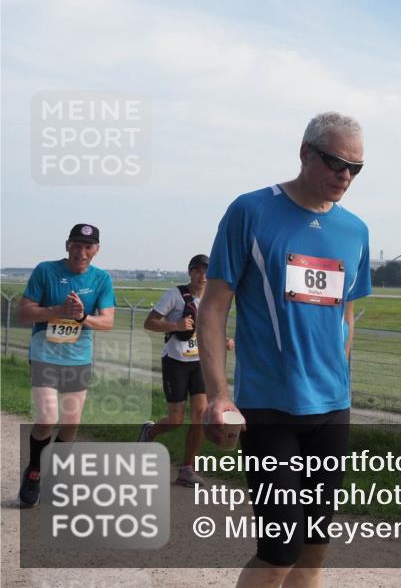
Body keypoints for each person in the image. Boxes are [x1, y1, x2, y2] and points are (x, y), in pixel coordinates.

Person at [199, 112, 371, 587]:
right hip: (269, 407)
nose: (345, 176)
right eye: (337, 163)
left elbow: (346, 315)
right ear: (305, 152)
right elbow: (214, 308)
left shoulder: (355, 231)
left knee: (314, 550)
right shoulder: (251, 211)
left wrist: (339, 375)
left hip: (332, 409)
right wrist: (218, 395)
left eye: (356, 168)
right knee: (279, 552)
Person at [16, 223, 116, 507]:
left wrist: (82, 317)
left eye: (87, 247)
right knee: (48, 417)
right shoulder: (46, 271)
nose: (81, 252)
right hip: (45, 353)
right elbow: (23, 313)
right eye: (76, 245)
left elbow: (107, 321)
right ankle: (35, 470)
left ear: (96, 250)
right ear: (67, 246)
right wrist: (58, 311)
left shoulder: (101, 279)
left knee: (71, 423)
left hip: (78, 357)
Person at [138, 254, 234, 486]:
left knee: (200, 417)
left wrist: (225, 340)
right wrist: (175, 325)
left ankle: (186, 469)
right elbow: (149, 323)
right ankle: (149, 433)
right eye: (197, 270)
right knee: (176, 420)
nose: (202, 276)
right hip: (175, 361)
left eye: (206, 271)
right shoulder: (175, 295)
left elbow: (210, 331)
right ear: (190, 272)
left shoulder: (213, 299)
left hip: (199, 363)